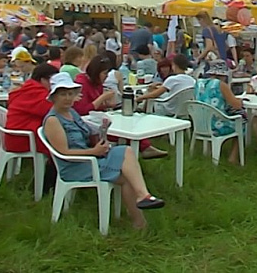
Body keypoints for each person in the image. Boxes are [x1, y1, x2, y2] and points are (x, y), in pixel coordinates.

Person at [43, 72, 165, 230]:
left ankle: (141, 206)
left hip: (90, 158)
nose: (67, 98)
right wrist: (94, 151)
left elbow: (87, 132)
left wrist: (102, 131)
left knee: (126, 156)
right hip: (76, 166)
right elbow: (64, 152)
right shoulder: (53, 120)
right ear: (53, 97)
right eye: (62, 94)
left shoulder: (71, 113)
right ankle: (141, 210)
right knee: (126, 169)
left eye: (70, 94)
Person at [74, 57, 167, 159]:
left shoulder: (97, 83)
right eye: (105, 73)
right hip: (88, 124)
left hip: (98, 118)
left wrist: (109, 105)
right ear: (96, 72)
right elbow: (82, 110)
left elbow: (96, 107)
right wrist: (103, 98)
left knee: (128, 122)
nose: (106, 77)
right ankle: (143, 149)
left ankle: (144, 148)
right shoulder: (81, 83)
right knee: (125, 130)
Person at [4, 63, 59, 192]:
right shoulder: (37, 93)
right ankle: (47, 185)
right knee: (61, 143)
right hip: (22, 138)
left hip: (17, 134)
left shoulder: (28, 89)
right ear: (43, 80)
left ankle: (50, 182)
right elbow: (52, 111)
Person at [194, 59, 247, 164]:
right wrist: (240, 101)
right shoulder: (220, 85)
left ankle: (209, 150)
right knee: (242, 121)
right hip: (217, 125)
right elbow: (235, 105)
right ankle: (233, 156)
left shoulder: (198, 83)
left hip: (201, 123)